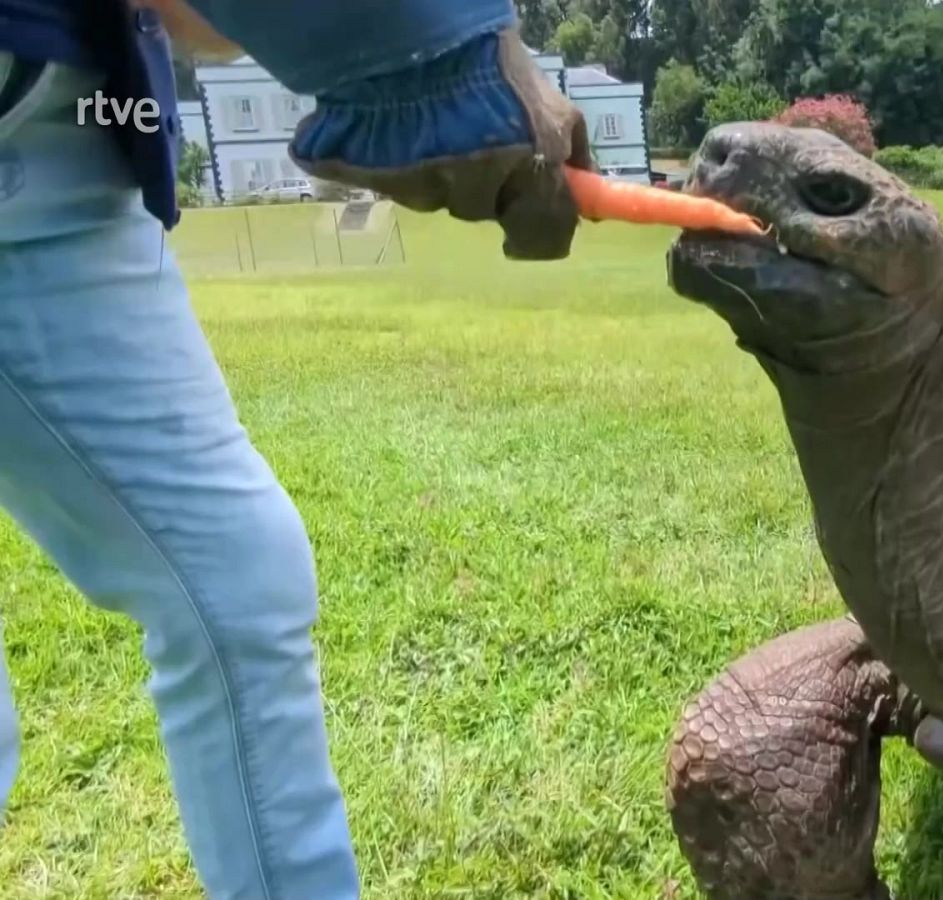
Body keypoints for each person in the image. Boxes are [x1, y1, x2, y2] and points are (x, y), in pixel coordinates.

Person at [0, 1, 594, 896]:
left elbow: (194, 18)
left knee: (236, 578)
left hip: (71, 154)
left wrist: (406, 71)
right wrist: (450, 58)